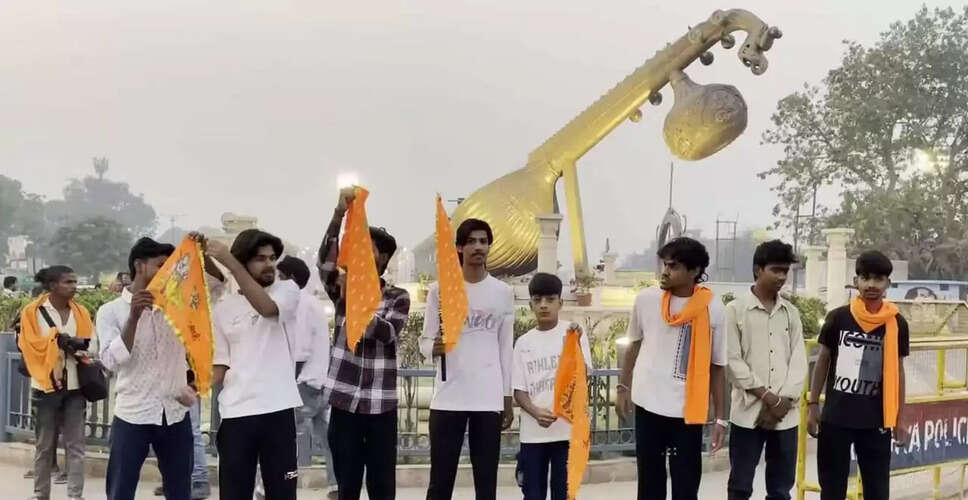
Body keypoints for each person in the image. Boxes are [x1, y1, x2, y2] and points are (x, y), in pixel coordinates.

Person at [97, 235, 225, 500]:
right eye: (161, 266)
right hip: (133, 413)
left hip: (174, 412)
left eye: (170, 266)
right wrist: (133, 318)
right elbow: (110, 361)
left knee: (179, 490)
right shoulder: (110, 311)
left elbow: (216, 285)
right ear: (140, 266)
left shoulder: (178, 304)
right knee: (120, 490)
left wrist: (201, 255)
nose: (168, 273)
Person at [616, 237, 727, 500]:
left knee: (686, 486)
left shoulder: (713, 308)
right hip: (648, 405)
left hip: (686, 412)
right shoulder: (646, 299)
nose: (665, 271)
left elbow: (717, 365)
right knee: (650, 483)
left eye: (674, 266)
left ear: (695, 271)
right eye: (665, 264)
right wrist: (622, 387)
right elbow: (632, 346)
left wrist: (720, 418)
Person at [318, 187, 410, 500]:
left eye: (365, 248)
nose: (356, 252)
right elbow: (325, 264)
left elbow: (386, 332)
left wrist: (356, 300)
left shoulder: (398, 296)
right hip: (345, 402)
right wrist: (338, 214)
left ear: (382, 258)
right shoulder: (340, 289)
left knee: (382, 486)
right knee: (347, 485)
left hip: (380, 405)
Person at [420, 218, 514, 500]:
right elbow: (425, 341)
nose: (477, 247)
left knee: (486, 482)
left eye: (483, 241)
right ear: (459, 247)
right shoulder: (441, 290)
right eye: (471, 241)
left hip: (488, 398)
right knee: (440, 481)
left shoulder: (503, 293)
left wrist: (506, 398)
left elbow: (505, 349)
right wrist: (433, 348)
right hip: (449, 397)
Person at [807, 251, 910, 500]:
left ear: (887, 284)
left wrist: (900, 417)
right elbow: (823, 361)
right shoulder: (838, 318)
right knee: (832, 490)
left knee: (877, 491)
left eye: (878, 279)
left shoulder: (896, 323)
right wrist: (812, 405)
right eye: (865, 278)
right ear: (856, 282)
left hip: (876, 421)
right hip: (836, 420)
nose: (871, 285)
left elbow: (899, 370)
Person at [210, 229, 303, 500]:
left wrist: (230, 262)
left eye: (272, 257)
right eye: (260, 259)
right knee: (234, 494)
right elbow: (220, 366)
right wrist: (193, 387)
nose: (269, 264)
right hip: (236, 415)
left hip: (278, 410)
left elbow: (267, 309)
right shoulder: (223, 308)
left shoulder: (287, 291)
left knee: (283, 493)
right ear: (244, 261)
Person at [725, 240, 808, 500]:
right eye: (776, 270)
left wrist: (783, 402)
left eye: (785, 271)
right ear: (758, 269)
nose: (781, 277)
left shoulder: (791, 313)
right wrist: (768, 397)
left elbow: (799, 360)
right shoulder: (735, 310)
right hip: (747, 412)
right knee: (740, 486)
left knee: (781, 489)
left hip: (786, 415)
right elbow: (731, 361)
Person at [512, 273, 591, 500]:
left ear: (560, 303)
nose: (544, 305)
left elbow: (583, 376)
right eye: (538, 300)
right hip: (533, 435)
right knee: (532, 494)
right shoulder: (524, 343)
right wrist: (536, 412)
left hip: (566, 432)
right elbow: (519, 389)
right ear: (530, 305)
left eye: (550, 299)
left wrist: (575, 343)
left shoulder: (572, 334)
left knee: (564, 493)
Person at [19, 265, 92, 500]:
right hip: (45, 387)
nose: (74, 286)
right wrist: (54, 342)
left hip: (75, 386)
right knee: (44, 446)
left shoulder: (81, 312)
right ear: (52, 285)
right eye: (68, 282)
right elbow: (28, 345)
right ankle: (41, 494)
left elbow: (92, 343)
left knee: (76, 447)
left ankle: (75, 495)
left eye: (74, 282)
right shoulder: (33, 312)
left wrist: (76, 348)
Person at [277, 256, 335, 493]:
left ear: (290, 280)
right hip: (319, 380)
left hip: (304, 382)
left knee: (287, 438)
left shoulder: (299, 303)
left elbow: (299, 350)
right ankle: (337, 482)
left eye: (280, 277)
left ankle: (274, 484)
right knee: (328, 438)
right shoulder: (312, 303)